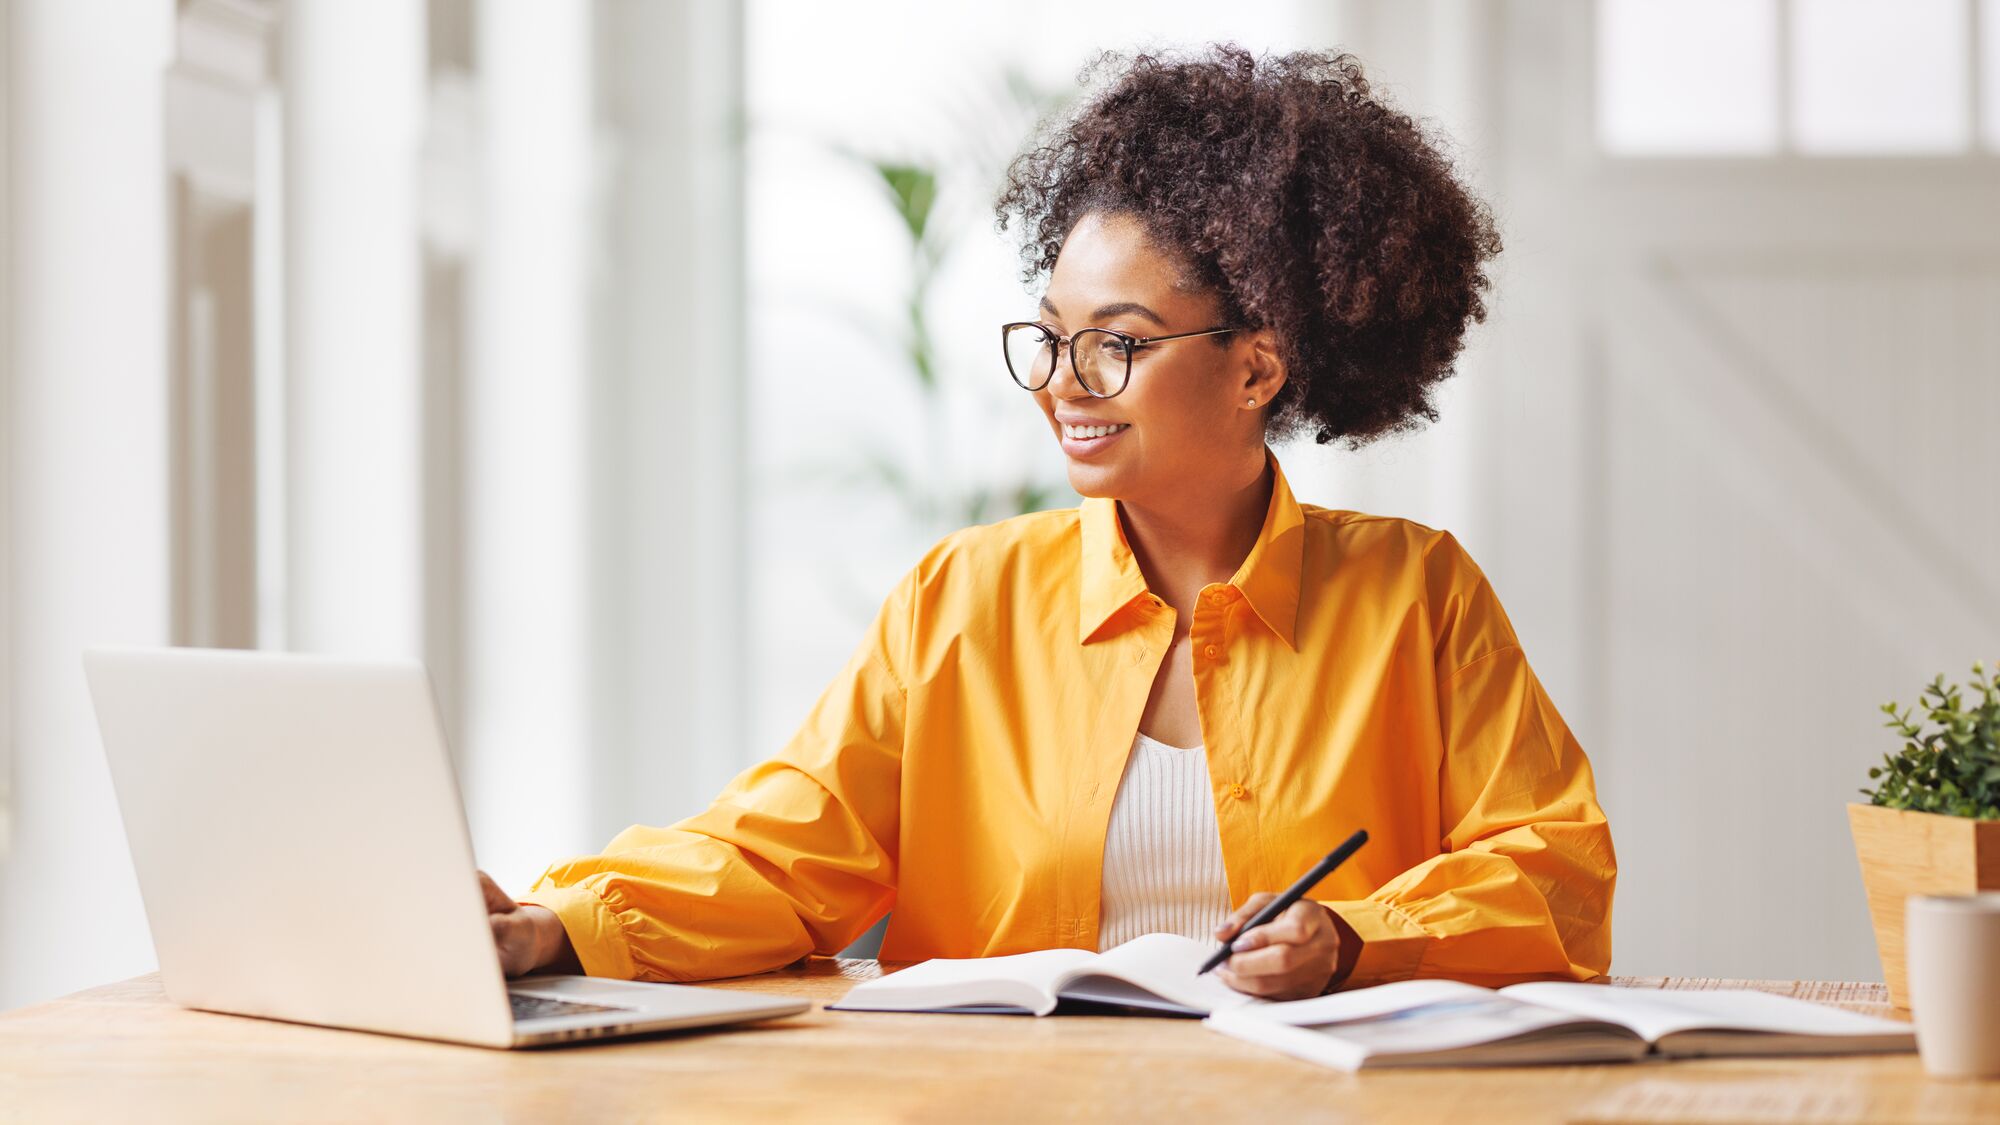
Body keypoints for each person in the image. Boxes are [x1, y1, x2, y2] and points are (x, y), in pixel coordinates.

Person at [482, 44, 1614, 1002]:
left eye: (1113, 343)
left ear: (1256, 367)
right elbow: (782, 855)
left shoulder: (1416, 594)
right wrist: (558, 923)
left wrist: (1358, 940)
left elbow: (1551, 869)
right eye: (1048, 335)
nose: (1061, 383)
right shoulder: (961, 599)